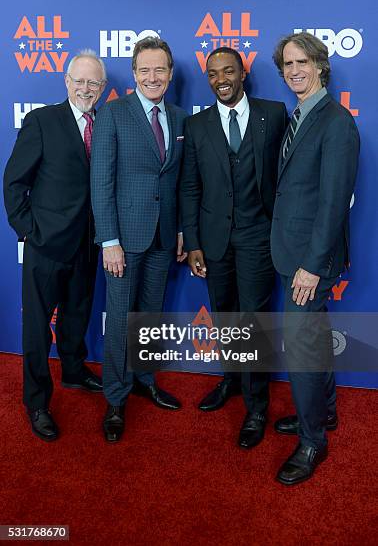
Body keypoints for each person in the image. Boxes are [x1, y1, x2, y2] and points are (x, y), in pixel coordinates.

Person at [180, 47, 287, 448]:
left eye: (228, 71)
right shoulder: (196, 125)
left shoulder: (273, 114)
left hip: (259, 237)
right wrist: (193, 243)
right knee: (224, 315)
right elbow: (190, 188)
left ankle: (257, 407)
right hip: (214, 241)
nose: (220, 79)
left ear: (242, 74)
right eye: (212, 74)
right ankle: (231, 381)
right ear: (207, 79)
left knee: (253, 321)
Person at [3, 49, 106, 441]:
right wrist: (29, 230)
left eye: (93, 82)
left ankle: (75, 371)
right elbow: (14, 182)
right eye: (78, 81)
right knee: (36, 327)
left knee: (77, 314)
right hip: (45, 245)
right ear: (66, 82)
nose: (85, 88)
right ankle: (37, 401)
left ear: (103, 87)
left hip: (88, 243)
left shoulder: (106, 122)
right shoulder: (42, 121)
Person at [271, 32, 360, 485]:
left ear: (321, 65)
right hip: (293, 252)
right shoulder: (301, 115)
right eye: (287, 64)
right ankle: (323, 415)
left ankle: (311, 443)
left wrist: (310, 264)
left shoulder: (336, 121)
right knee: (316, 338)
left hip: (310, 260)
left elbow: (332, 201)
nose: (294, 70)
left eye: (301, 61)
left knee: (303, 348)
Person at [91, 36, 187, 443]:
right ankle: (115, 398)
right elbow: (102, 180)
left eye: (159, 69)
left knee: (150, 316)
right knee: (120, 321)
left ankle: (145, 379)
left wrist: (181, 229)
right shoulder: (114, 113)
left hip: (164, 237)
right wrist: (108, 239)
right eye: (144, 70)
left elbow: (179, 182)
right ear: (133, 75)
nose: (152, 77)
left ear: (169, 73)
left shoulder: (180, 118)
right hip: (124, 240)